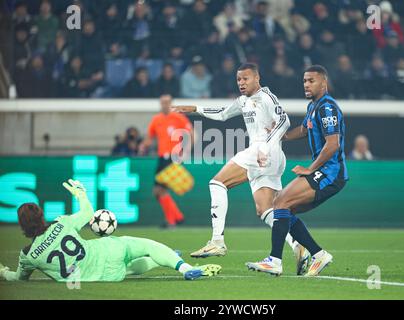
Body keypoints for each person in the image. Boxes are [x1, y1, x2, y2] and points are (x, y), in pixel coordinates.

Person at [172, 63, 307, 269]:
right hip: (269, 157)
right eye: (238, 80)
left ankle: (217, 241)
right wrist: (196, 109)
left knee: (217, 183)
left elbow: (284, 122)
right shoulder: (243, 101)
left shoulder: (266, 97)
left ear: (257, 78)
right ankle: (298, 246)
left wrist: (266, 147)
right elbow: (223, 113)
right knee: (266, 209)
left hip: (263, 151)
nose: (241, 83)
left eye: (245, 79)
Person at [0, 179, 221, 282]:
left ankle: (168, 257)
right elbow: (88, 214)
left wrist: (3, 272)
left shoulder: (28, 254)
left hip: (95, 278)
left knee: (130, 269)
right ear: (41, 215)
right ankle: (182, 267)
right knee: (147, 246)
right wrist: (80, 194)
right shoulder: (61, 224)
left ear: (22, 225)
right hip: (106, 252)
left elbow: (18, 278)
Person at [246, 65, 348, 276]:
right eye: (304, 81)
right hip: (325, 171)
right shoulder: (314, 106)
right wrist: (280, 134)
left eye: (311, 80)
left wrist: (310, 169)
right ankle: (319, 255)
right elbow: (303, 129)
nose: (306, 85)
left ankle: (274, 260)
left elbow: (333, 145)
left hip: (331, 172)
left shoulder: (327, 107)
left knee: (280, 202)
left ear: (324, 82)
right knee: (285, 209)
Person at [139, 94, 193, 228]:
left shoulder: (178, 118)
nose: (164, 105)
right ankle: (177, 217)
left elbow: (190, 133)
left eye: (167, 102)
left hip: (172, 158)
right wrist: (143, 146)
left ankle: (172, 221)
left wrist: (186, 150)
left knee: (160, 191)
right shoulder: (156, 119)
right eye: (162, 102)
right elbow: (149, 137)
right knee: (159, 192)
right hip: (161, 158)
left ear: (171, 103)